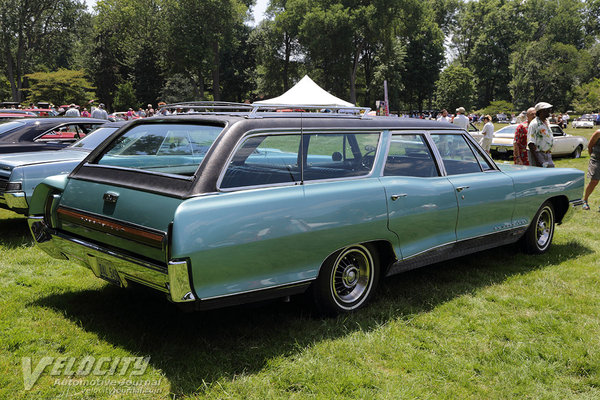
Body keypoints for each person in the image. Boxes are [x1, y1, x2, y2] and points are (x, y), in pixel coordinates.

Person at [527, 102, 555, 167]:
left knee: (551, 175)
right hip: (538, 155)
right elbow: (531, 143)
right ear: (540, 111)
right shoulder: (534, 124)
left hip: (547, 154)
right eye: (547, 109)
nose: (549, 111)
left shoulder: (546, 122)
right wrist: (537, 161)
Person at [582, 129, 600, 210]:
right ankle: (585, 200)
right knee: (594, 181)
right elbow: (590, 145)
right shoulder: (598, 133)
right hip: (596, 159)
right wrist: (592, 157)